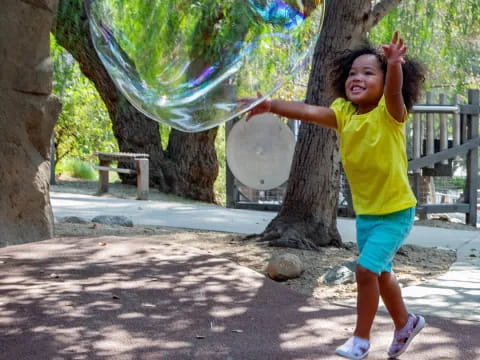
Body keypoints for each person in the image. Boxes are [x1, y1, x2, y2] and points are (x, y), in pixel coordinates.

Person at [240, 32, 426, 359]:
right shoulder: (343, 113)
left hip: (396, 212)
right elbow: (308, 111)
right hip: (368, 214)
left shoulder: (390, 113)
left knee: (366, 271)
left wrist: (395, 64)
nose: (358, 77)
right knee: (381, 274)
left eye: (369, 72)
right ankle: (405, 322)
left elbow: (395, 91)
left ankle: (361, 340)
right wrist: (270, 105)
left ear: (384, 82)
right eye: (353, 72)